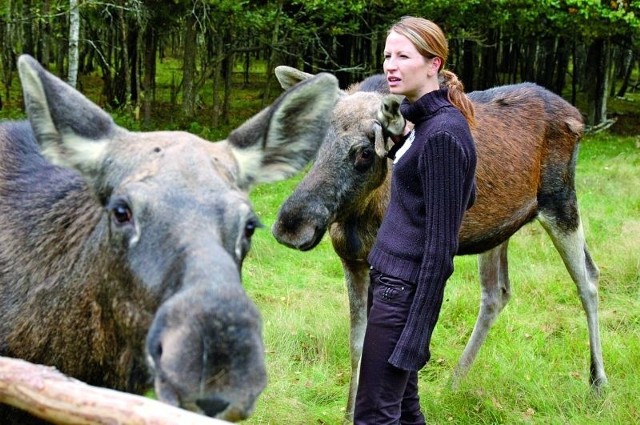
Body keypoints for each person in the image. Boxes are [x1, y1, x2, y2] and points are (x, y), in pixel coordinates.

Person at [354, 16, 477, 425]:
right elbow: (464, 192)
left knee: (373, 415)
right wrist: (398, 145)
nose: (390, 64)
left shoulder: (442, 133)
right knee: (403, 410)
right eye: (387, 54)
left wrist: (416, 335)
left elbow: (442, 249)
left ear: (433, 64)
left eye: (403, 56)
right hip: (390, 282)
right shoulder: (422, 125)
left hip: (402, 294)